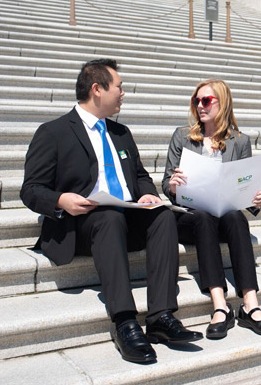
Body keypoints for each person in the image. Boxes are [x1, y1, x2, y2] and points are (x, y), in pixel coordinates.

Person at [20, 59, 202, 364]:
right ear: (97, 89)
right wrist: (61, 199)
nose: (123, 94)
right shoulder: (53, 132)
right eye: (119, 87)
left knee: (163, 215)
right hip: (80, 225)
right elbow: (30, 189)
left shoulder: (120, 132)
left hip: (123, 220)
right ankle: (125, 323)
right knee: (108, 216)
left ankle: (161, 316)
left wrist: (146, 195)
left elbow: (141, 175)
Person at [163, 79, 261, 339]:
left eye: (206, 100)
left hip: (224, 217)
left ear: (221, 103)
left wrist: (255, 199)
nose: (200, 106)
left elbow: (244, 185)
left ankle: (251, 304)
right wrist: (172, 184)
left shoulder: (239, 141)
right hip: (192, 218)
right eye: (197, 101)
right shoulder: (182, 137)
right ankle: (219, 305)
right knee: (203, 217)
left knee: (236, 217)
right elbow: (166, 183)